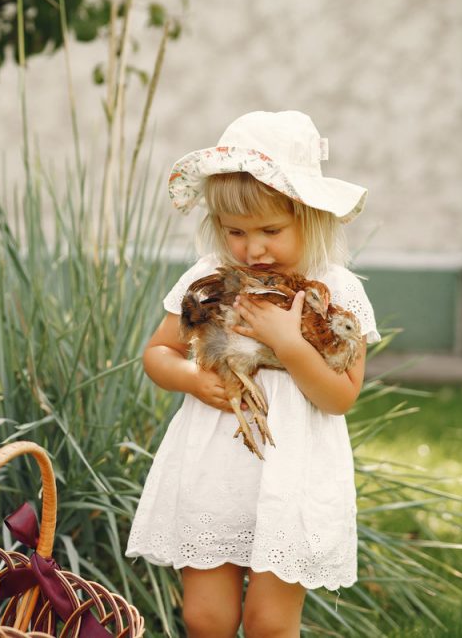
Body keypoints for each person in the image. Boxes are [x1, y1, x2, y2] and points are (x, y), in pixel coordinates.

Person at [125, 111, 380, 637]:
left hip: (293, 473)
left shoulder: (337, 289)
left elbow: (340, 397)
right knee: (205, 616)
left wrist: (290, 345)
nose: (253, 248)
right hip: (214, 467)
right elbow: (158, 353)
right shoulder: (209, 277)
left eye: (271, 230)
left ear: (310, 217)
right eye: (235, 231)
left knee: (268, 622)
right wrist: (192, 379)